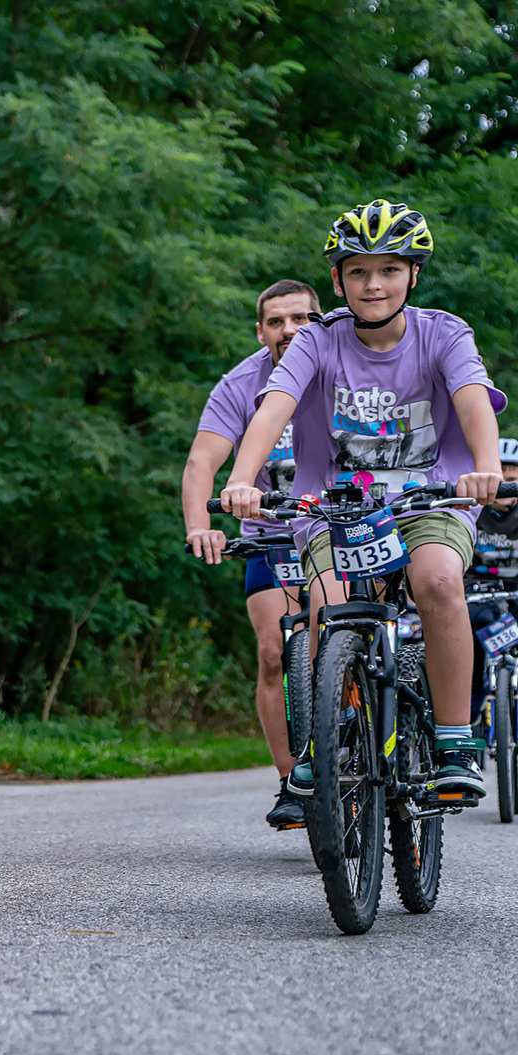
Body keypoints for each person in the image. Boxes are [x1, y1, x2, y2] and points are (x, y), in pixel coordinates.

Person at [224, 200, 506, 798]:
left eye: (389, 270)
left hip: (432, 502)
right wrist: (242, 479)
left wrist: (485, 469)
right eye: (358, 272)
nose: (373, 284)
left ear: (413, 275)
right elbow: (273, 407)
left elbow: (473, 401)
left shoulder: (443, 334)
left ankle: (455, 739)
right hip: (337, 507)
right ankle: (326, 739)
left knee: (436, 581)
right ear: (337, 281)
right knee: (327, 604)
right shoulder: (316, 341)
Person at [183, 279, 322, 829]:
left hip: (341, 528)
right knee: (273, 652)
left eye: (300, 318)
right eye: (276, 322)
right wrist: (201, 526)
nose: (289, 330)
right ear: (260, 331)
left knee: (353, 633)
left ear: (320, 319)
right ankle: (292, 781)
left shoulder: (347, 365)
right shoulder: (240, 384)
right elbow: (202, 462)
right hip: (273, 535)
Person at [465, 437, 518, 724]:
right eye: (499, 477)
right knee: (471, 639)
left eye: (512, 479)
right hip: (477, 590)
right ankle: (472, 707)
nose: (505, 486)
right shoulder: (472, 510)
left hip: (514, 589)